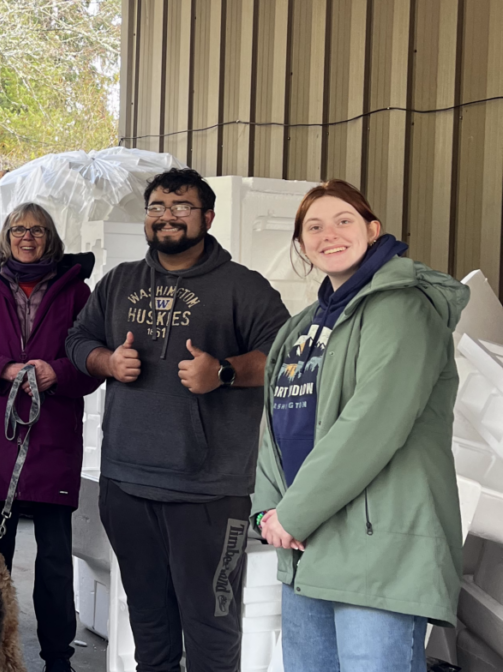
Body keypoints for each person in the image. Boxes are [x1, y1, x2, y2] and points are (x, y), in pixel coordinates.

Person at [65, 168, 289, 672]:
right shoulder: (120, 280)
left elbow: (284, 355)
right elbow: (78, 340)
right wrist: (106, 362)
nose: (167, 217)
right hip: (126, 484)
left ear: (207, 218)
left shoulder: (242, 288)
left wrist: (224, 372)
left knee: (211, 627)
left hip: (209, 492)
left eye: (181, 207)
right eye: (156, 208)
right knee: (150, 625)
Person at [252, 180, 466, 671]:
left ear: (373, 230)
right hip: (307, 544)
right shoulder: (301, 327)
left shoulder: (403, 308)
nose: (329, 234)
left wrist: (292, 515)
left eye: (343, 220)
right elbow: (274, 426)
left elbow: (371, 424)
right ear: (302, 245)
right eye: (314, 226)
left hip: (378, 547)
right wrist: (266, 510)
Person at [0, 202, 99, 672]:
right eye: (18, 229)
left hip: (54, 437)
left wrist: (57, 372)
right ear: (6, 236)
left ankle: (58, 658)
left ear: (50, 237)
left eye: (37, 230)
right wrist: (6, 370)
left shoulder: (77, 292)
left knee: (54, 561)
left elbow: (93, 362)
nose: (27, 237)